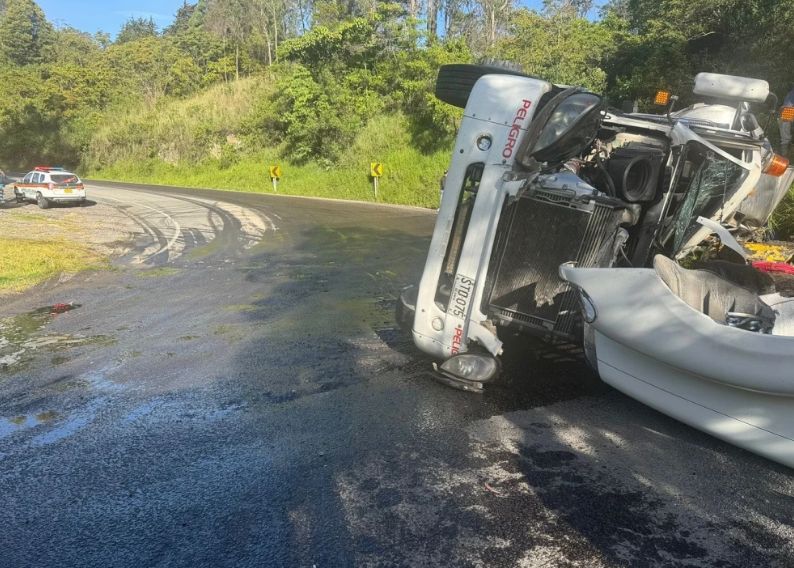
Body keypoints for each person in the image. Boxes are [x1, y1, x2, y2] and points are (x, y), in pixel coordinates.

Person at [779, 84, 794, 157]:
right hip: (788, 111)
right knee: (785, 138)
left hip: (788, 110)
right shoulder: (791, 94)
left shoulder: (791, 94)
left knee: (785, 138)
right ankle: (784, 157)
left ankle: (784, 157)